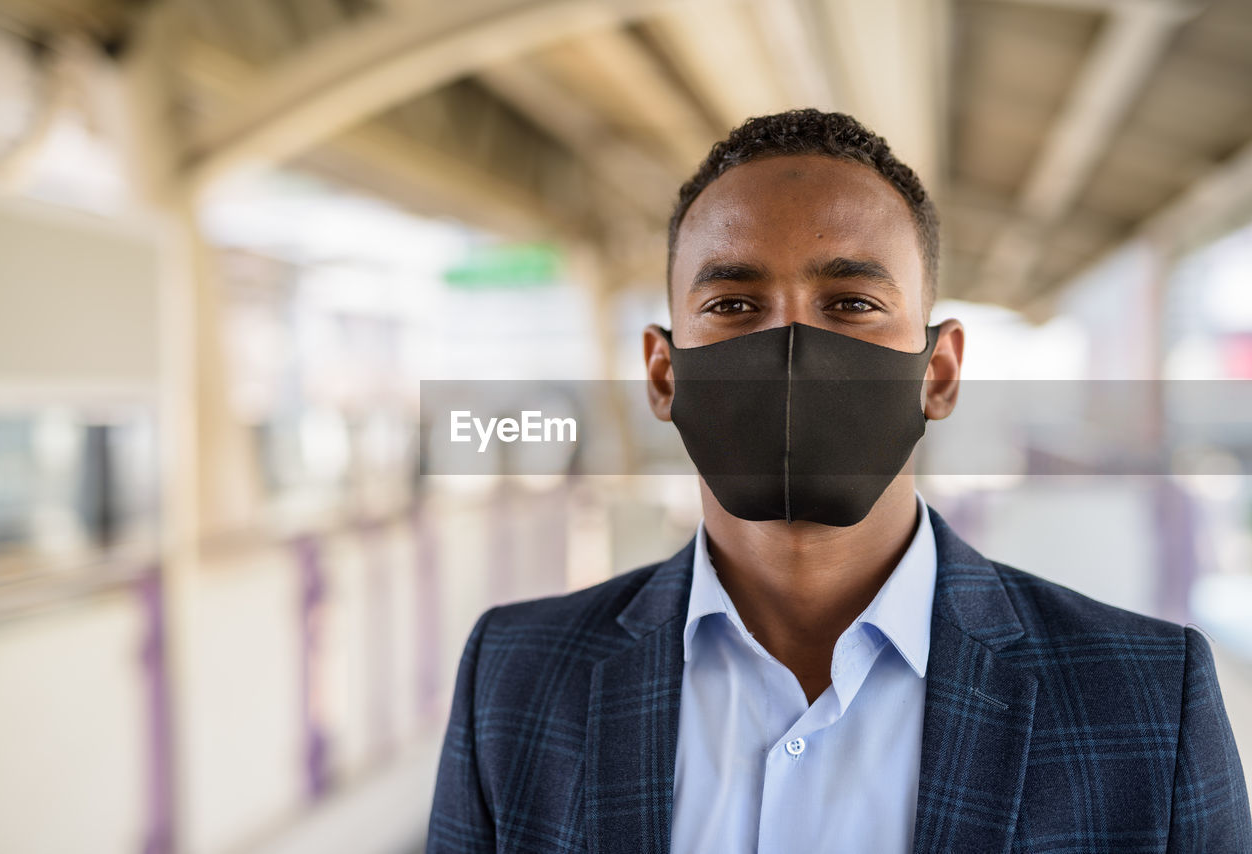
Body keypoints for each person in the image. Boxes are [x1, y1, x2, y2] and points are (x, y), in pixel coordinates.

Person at [426, 109, 1251, 853]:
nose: (790, 346)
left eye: (851, 304)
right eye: (735, 306)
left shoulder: (1144, 700)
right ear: (663, 373)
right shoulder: (516, 677)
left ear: (939, 373)